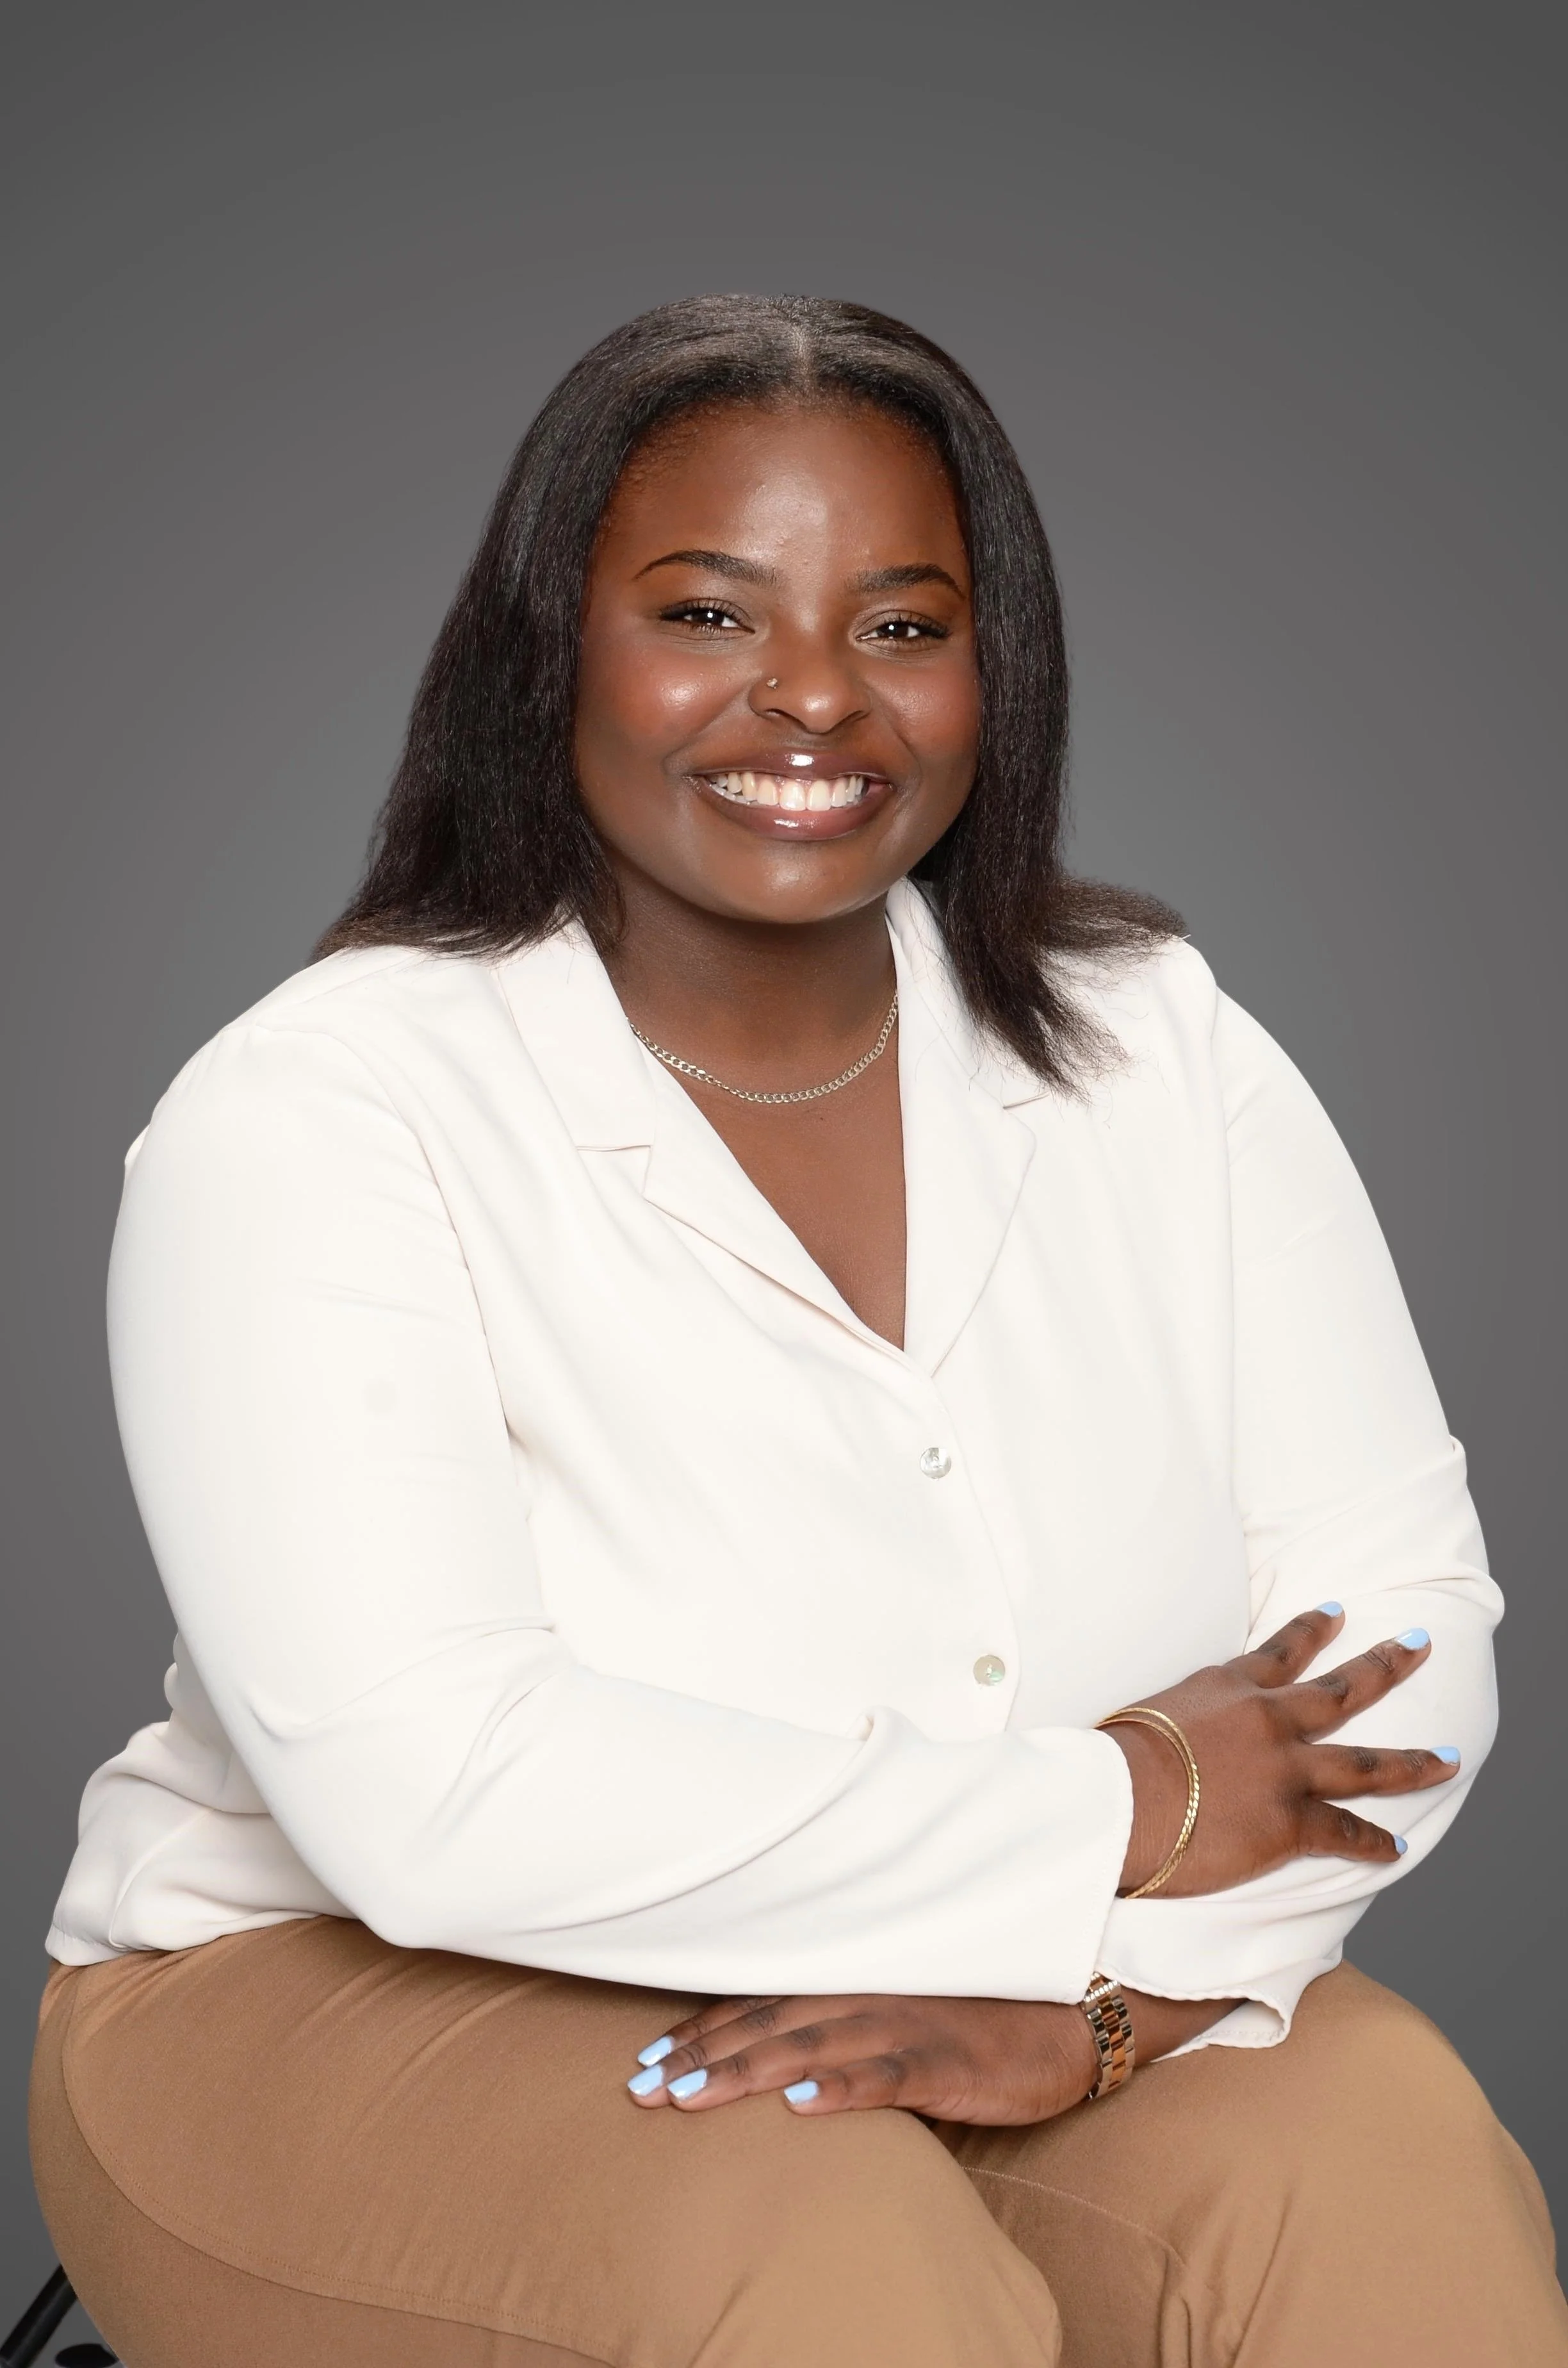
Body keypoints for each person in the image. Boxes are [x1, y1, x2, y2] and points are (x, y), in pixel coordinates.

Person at [29, 295, 1567, 2368]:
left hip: (1055, 1964)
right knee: (825, 2252)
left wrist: (1121, 2009)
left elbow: (1397, 1638)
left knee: (1385, 2155)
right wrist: (1123, 1809)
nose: (818, 699)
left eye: (907, 627)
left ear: (990, 675)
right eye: (710, 613)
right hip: (328, 1982)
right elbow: (437, 1793)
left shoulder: (1160, 1044)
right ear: (547, 648)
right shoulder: (320, 1112)